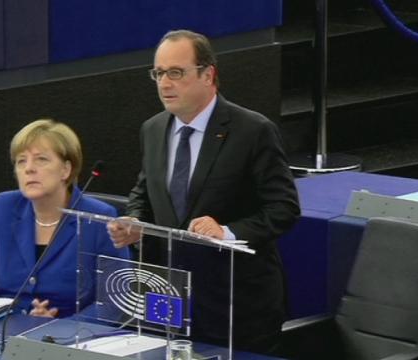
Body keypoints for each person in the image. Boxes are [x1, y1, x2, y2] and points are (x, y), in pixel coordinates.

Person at [107, 30, 300, 353]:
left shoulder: (252, 131)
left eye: (176, 73)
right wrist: (135, 220)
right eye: (158, 73)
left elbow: (284, 209)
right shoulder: (153, 130)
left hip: (236, 304)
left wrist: (226, 232)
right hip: (170, 299)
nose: (164, 83)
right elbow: (145, 190)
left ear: (208, 75)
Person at [0, 119, 129, 318]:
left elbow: (114, 302)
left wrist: (59, 329)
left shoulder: (99, 218)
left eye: (41, 159)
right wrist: (23, 321)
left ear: (66, 170)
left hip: (74, 339)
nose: (29, 168)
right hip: (5, 333)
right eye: (21, 161)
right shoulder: (2, 207)